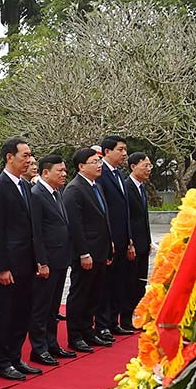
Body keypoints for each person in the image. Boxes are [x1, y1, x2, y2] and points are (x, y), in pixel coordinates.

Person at [0, 137, 42, 382]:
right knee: (5, 314)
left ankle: (15, 356)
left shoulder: (26, 186)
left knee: (22, 312)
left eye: (30, 155)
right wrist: (2, 266)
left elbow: (32, 227)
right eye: (24, 155)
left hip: (27, 262)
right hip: (9, 264)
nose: (29, 160)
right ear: (10, 157)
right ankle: (2, 361)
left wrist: (39, 258)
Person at [62, 148, 114, 354]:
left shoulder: (96, 186)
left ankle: (88, 330)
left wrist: (109, 244)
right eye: (94, 162)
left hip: (101, 251)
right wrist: (83, 253)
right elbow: (76, 226)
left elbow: (102, 218)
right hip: (86, 254)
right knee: (80, 294)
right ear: (81, 166)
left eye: (99, 161)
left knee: (94, 293)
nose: (99, 165)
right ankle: (75, 336)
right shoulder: (74, 190)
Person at [28, 155, 76, 365]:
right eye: (60, 171)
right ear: (45, 173)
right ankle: (38, 348)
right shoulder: (37, 194)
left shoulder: (57, 193)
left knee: (53, 306)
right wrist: (42, 261)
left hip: (61, 258)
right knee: (41, 306)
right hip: (47, 260)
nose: (64, 174)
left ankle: (51, 343)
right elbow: (36, 232)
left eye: (65, 170)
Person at [98, 135, 134, 336]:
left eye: (125, 150)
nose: (124, 154)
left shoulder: (120, 175)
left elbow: (124, 209)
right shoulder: (100, 174)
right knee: (106, 285)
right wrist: (108, 238)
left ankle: (113, 321)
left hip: (122, 239)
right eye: (120, 150)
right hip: (108, 241)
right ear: (107, 152)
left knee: (119, 281)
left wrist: (129, 238)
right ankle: (102, 324)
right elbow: (104, 210)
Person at [126, 152, 154, 320]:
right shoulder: (127, 187)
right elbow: (127, 217)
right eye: (145, 166)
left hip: (143, 243)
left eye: (150, 166)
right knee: (130, 281)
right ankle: (128, 314)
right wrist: (130, 242)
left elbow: (144, 217)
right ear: (133, 166)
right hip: (133, 244)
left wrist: (148, 241)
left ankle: (140, 312)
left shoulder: (141, 187)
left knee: (141, 281)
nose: (148, 169)